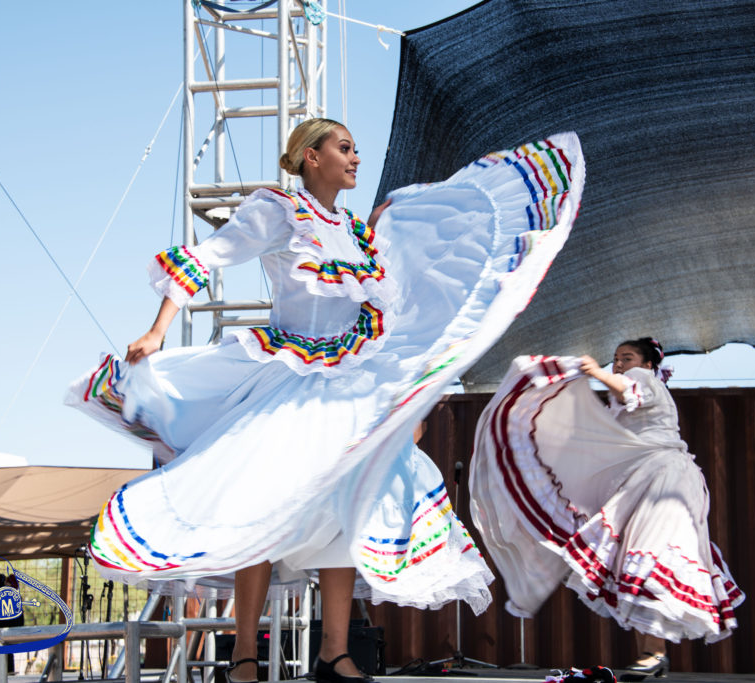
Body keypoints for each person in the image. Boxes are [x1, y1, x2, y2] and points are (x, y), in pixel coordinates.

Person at [68, 119, 585, 682]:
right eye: (344, 148)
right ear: (311, 157)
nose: (355, 158)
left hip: (349, 387)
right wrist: (157, 331)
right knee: (256, 501)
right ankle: (243, 656)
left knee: (349, 506)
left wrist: (402, 400)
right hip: (288, 378)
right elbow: (209, 255)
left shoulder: (361, 236)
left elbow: (389, 319)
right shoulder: (278, 211)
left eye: (356, 149)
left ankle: (333, 653)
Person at [470, 339, 744, 679]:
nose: (618, 364)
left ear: (647, 365)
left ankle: (655, 652)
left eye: (627, 358)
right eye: (615, 358)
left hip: (664, 481)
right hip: (650, 482)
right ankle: (653, 652)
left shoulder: (645, 381)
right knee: (644, 559)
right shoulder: (623, 398)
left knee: (650, 556)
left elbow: (626, 387)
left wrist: (595, 370)